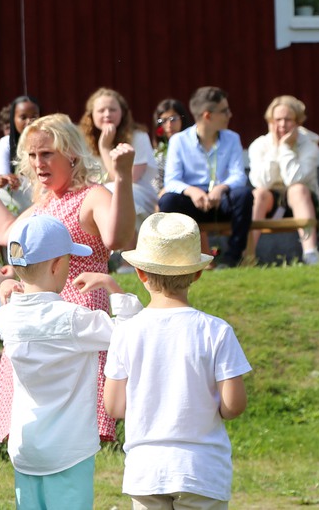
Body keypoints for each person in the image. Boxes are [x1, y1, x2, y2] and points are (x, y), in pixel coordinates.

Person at [0, 113, 135, 443]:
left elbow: (118, 238)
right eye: (32, 155)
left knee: (74, 424)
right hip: (42, 316)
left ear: (71, 153)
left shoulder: (92, 195)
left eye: (47, 153)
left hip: (79, 316)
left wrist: (125, 177)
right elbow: (5, 233)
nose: (38, 163)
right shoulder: (47, 201)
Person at [0, 215, 142, 509]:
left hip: (26, 448)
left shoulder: (6, 317)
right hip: (69, 449)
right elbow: (132, 333)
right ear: (56, 265)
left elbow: (5, 308)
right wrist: (112, 286)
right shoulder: (74, 319)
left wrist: (3, 290)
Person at [106, 212, 251, 508]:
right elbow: (233, 406)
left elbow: (115, 406)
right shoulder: (216, 330)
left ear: (140, 273)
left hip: (146, 469)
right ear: (197, 273)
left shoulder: (126, 331)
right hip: (202, 469)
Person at [157, 86, 253, 268]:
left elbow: (238, 175)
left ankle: (233, 258)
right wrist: (191, 191)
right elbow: (172, 180)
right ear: (207, 116)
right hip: (193, 202)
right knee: (168, 200)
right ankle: (182, 260)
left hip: (221, 199)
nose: (230, 114)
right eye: (225, 111)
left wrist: (221, 188)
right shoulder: (179, 140)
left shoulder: (232, 138)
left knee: (244, 195)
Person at [246, 95, 319, 265]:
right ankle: (248, 254)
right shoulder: (259, 145)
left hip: (305, 203)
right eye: (278, 120)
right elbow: (262, 182)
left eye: (288, 120)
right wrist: (275, 148)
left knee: (297, 189)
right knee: (259, 193)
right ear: (270, 121)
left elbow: (294, 178)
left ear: (298, 122)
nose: (282, 125)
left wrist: (285, 148)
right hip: (270, 205)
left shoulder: (309, 144)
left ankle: (311, 254)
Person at [0, 96, 40, 269]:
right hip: (15, 194)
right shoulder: (6, 143)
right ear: (13, 120)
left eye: (34, 116)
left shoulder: (45, 140)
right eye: (23, 117)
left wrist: (22, 179)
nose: (30, 121)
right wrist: (4, 179)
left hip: (38, 195)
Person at [79, 87, 158, 224]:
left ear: (122, 113)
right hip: (99, 195)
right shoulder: (82, 141)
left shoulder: (138, 137)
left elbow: (126, 179)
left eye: (113, 109)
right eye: (101, 110)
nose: (107, 114)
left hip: (135, 192)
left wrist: (104, 147)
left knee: (112, 193)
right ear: (91, 115)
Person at [149, 98, 193, 194]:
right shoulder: (159, 153)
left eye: (173, 119)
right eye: (163, 121)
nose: (169, 125)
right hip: (166, 198)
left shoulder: (194, 145)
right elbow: (156, 184)